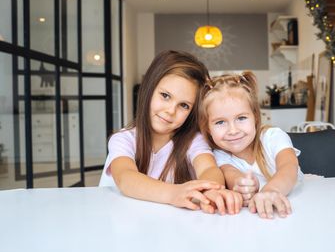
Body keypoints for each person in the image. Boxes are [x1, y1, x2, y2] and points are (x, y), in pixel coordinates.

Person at [99, 50, 242, 215]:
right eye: (165, 96)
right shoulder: (123, 139)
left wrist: (211, 190)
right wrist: (174, 193)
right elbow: (125, 177)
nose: (170, 111)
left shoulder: (193, 140)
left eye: (184, 105)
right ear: (149, 88)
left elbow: (208, 169)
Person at [199, 72, 303, 219]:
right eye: (220, 122)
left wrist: (271, 190)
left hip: (299, 207)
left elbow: (289, 167)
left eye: (241, 118)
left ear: (255, 117)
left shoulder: (272, 137)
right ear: (208, 128)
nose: (233, 130)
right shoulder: (219, 155)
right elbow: (231, 175)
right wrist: (243, 185)